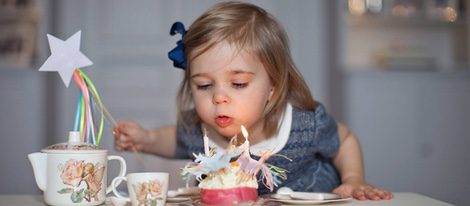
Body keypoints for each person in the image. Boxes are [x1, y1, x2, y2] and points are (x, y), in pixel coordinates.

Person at [114, 1, 392, 200]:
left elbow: (344, 140)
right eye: (204, 85)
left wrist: (353, 179)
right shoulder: (197, 130)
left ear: (273, 84)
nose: (219, 97)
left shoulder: (305, 124)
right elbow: (175, 139)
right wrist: (147, 138)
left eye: (238, 84)